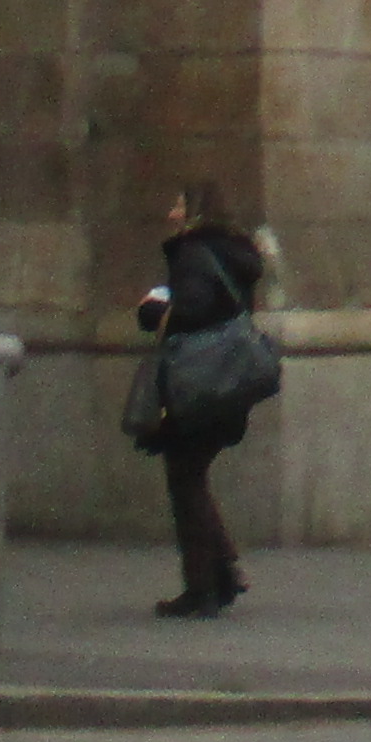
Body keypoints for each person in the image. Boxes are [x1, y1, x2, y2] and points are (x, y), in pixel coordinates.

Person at [138, 186, 266, 622]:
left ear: (196, 212)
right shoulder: (235, 255)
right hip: (227, 383)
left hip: (197, 384)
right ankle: (221, 572)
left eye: (178, 203)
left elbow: (193, 309)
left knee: (185, 479)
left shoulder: (195, 255)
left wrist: (156, 308)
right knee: (191, 476)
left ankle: (204, 586)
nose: (171, 211)